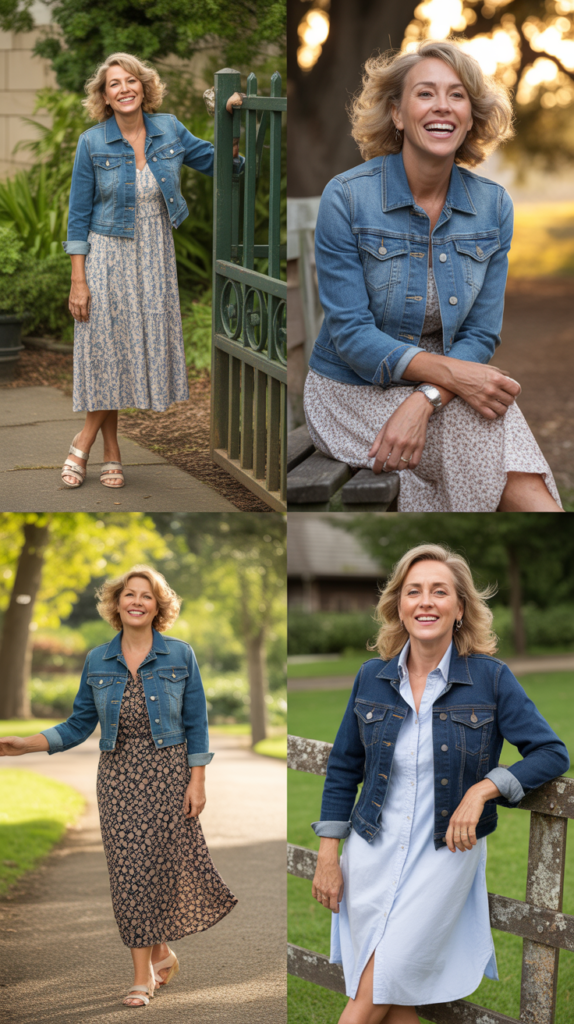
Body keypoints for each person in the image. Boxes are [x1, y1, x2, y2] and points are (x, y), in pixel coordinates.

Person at [311, 543, 569, 1024]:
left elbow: (552, 752)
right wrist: (329, 855)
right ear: (399, 606)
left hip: (443, 858)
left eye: (439, 591)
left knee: (376, 983)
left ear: (459, 608)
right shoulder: (371, 678)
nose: (425, 601)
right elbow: (345, 768)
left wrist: (484, 788)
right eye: (413, 592)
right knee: (394, 997)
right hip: (371, 851)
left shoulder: (491, 679)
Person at [303, 40, 563, 512]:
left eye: (457, 95)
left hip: (444, 392)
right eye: (425, 94)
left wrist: (424, 398)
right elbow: (352, 336)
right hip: (351, 391)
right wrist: (453, 380)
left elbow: (481, 332)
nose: (442, 106)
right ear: (397, 114)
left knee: (484, 415)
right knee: (483, 417)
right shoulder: (347, 198)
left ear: (470, 116)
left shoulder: (493, 206)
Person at [0, 565, 237, 1007]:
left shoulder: (180, 655)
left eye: (147, 596)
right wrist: (25, 745)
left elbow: (196, 723)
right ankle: (142, 975)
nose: (137, 602)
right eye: (130, 594)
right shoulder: (97, 660)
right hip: (118, 780)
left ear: (158, 607)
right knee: (129, 876)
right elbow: (78, 725)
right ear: (116, 603)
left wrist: (198, 780)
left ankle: (162, 954)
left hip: (169, 776)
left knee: (161, 873)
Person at [60, 52, 243, 489]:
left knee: (125, 352)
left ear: (144, 87)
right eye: (113, 85)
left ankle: (96, 447)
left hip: (154, 255)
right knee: (106, 353)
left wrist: (231, 121)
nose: (123, 89)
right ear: (104, 96)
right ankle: (98, 449)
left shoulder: (170, 129)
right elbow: (76, 217)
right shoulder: (92, 142)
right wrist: (78, 281)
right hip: (106, 255)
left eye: (130, 81)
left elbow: (223, 164)